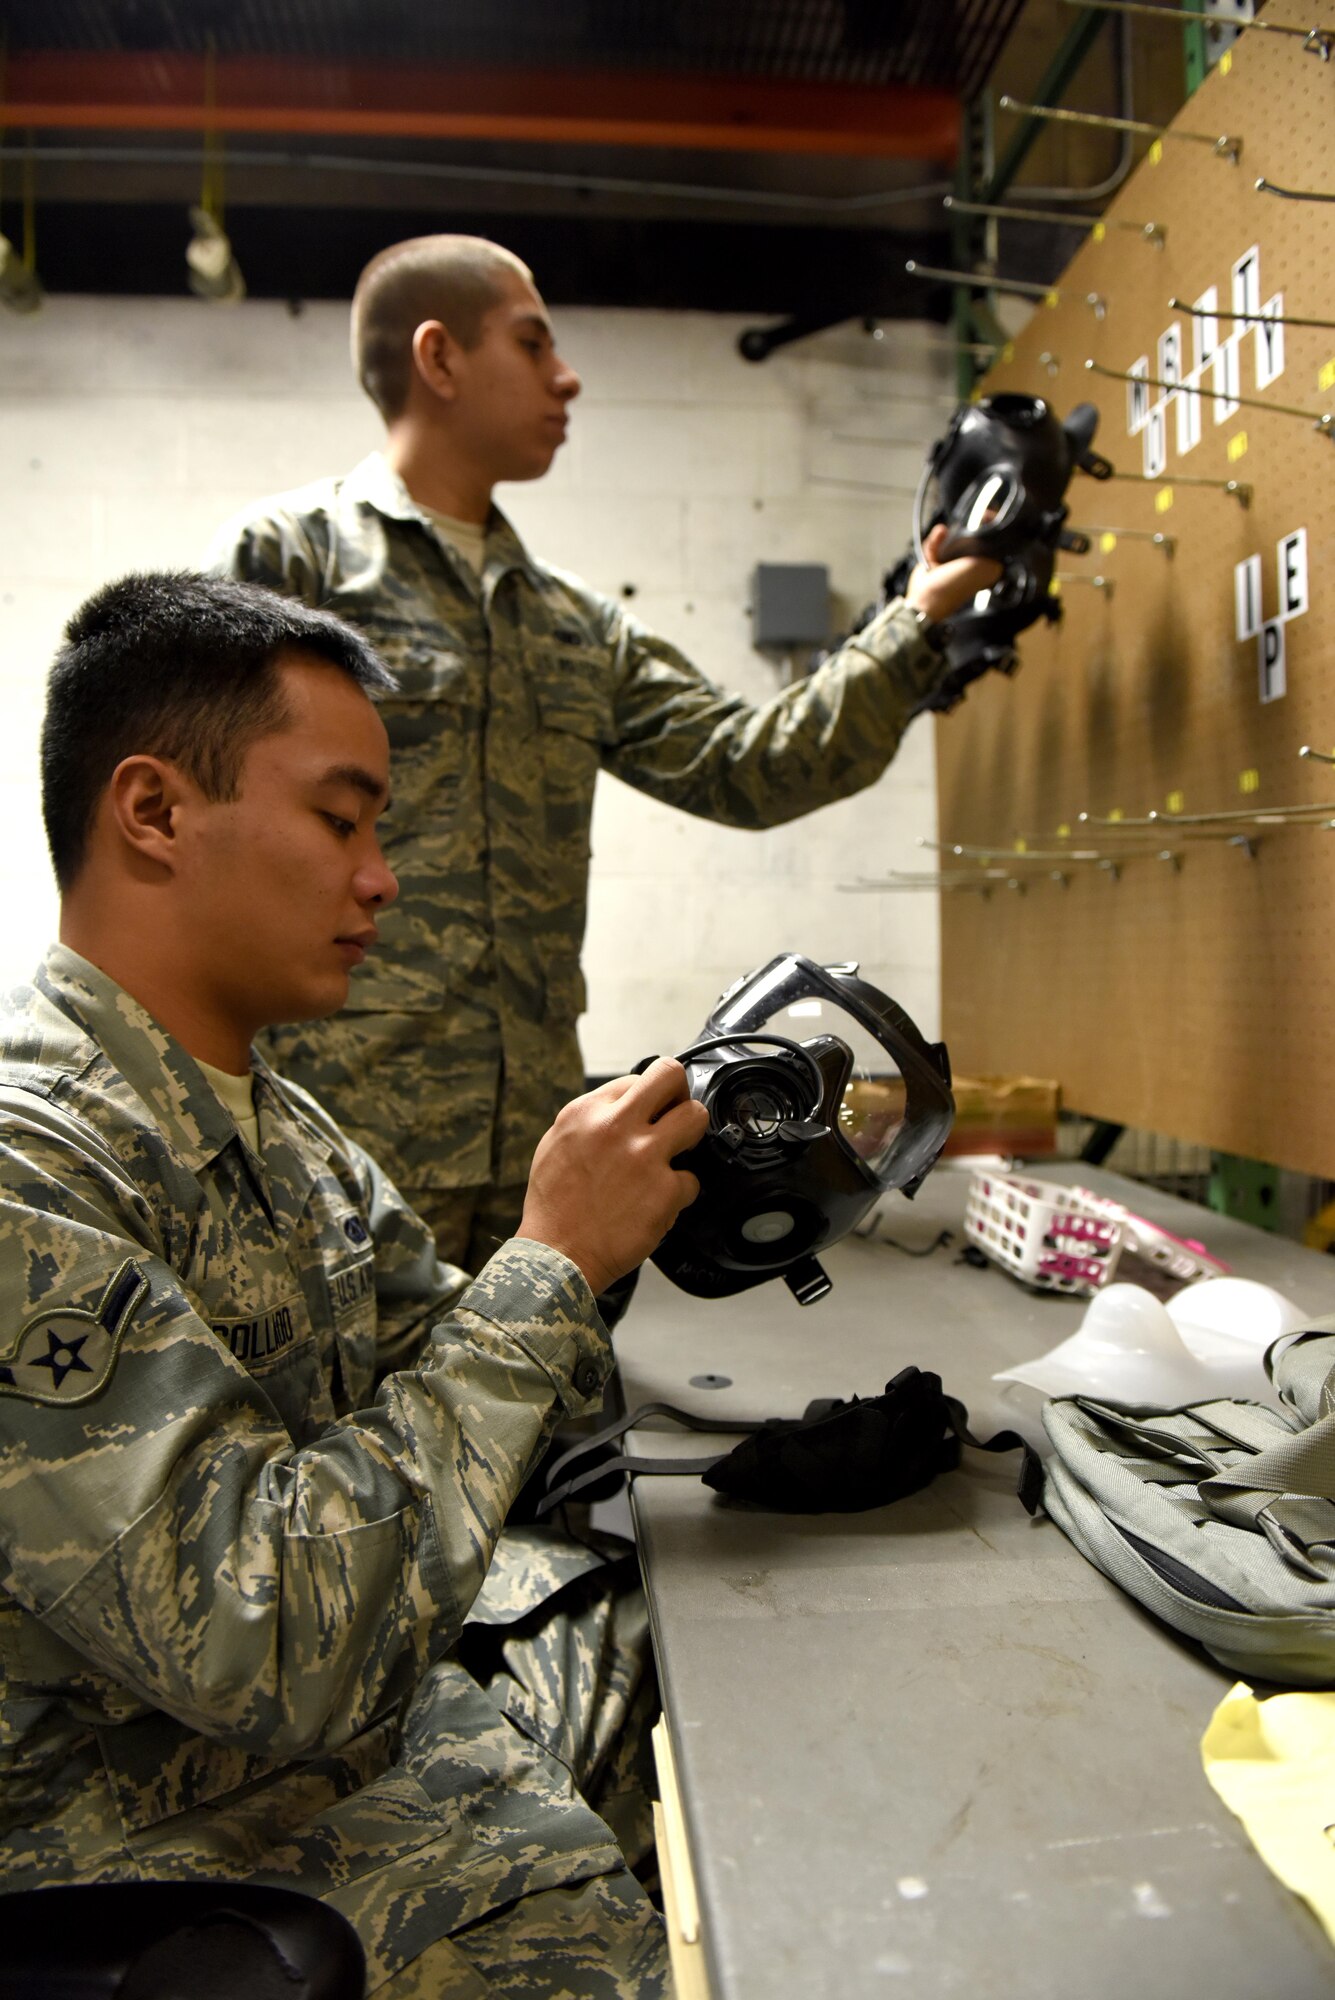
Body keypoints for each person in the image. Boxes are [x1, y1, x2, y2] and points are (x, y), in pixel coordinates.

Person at [0, 569, 710, 1997]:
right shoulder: (33, 1172)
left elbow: (469, 1368)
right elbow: (264, 1635)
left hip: (333, 1731)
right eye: (340, 820)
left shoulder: (279, 1125)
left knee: (708, 1682)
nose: (381, 876)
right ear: (152, 812)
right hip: (146, 1830)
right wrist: (551, 1256)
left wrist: (661, 1218)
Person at [207, 233, 999, 1271]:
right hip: (338, 1139)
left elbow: (750, 765)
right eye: (533, 344)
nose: (566, 376)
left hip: (538, 1152)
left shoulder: (574, 624)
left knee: (540, 1424)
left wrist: (916, 621)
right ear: (439, 359)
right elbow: (208, 837)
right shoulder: (291, 562)